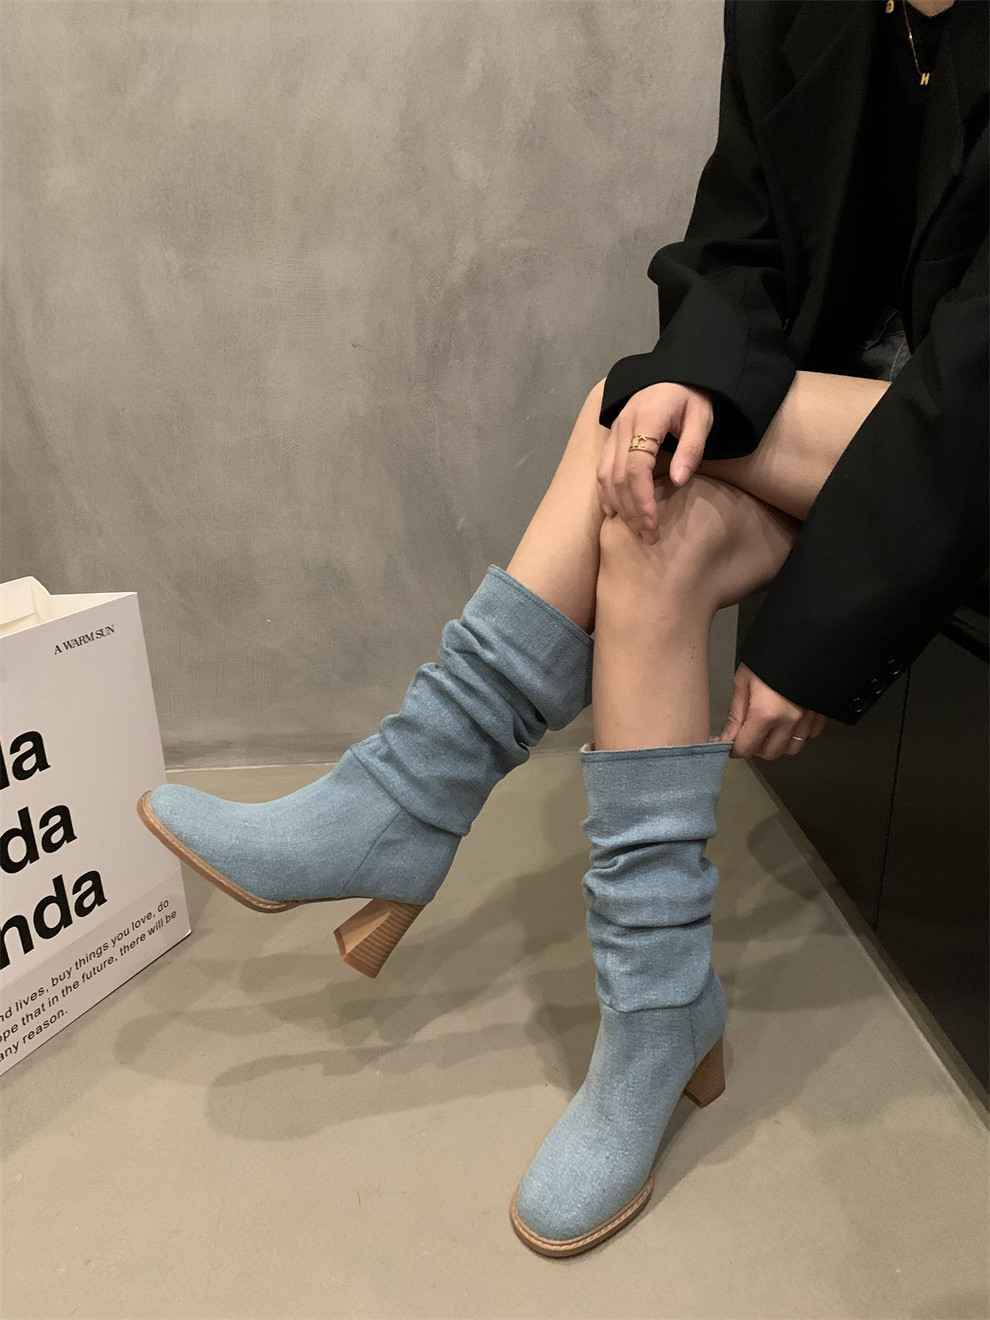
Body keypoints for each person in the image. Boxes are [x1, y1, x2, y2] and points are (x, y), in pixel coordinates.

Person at [138, 0, 988, 1259]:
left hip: (973, 437)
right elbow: (742, 243)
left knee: (612, 406)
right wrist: (692, 377)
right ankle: (659, 1012)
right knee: (650, 510)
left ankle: (408, 797)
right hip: (850, 431)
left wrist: (816, 632)